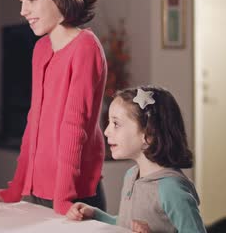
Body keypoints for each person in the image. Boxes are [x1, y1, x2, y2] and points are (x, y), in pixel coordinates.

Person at [0, 0, 107, 215]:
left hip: (73, 197)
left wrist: (63, 201)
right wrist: (15, 190)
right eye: (21, 1)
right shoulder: (42, 49)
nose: (23, 11)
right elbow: (34, 122)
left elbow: (75, 126)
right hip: (38, 192)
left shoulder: (85, 47)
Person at [66, 86, 206, 233]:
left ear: (148, 134)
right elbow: (124, 225)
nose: (106, 131)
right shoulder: (131, 176)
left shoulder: (171, 190)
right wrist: (94, 214)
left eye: (116, 124)